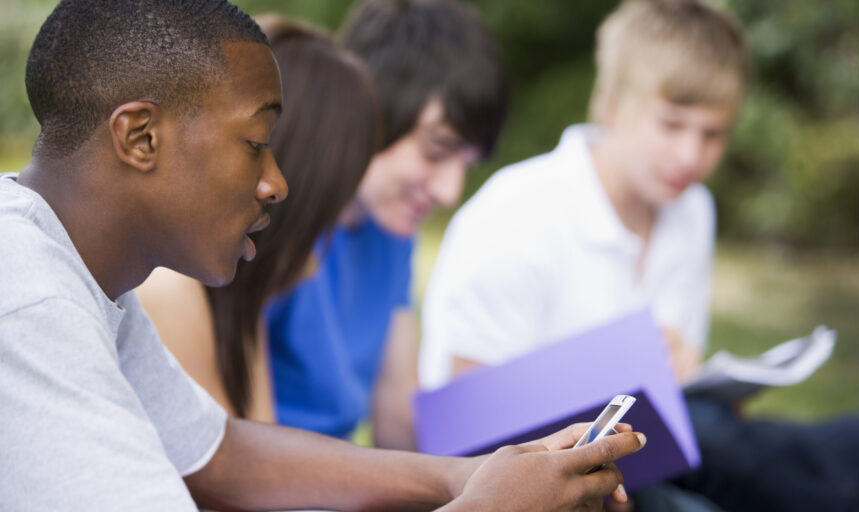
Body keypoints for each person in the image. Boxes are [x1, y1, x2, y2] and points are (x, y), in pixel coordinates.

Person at [0, 0, 646, 510]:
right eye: (256, 143)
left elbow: (220, 454)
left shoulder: (85, 277)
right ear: (140, 137)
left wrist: (470, 475)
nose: (276, 183)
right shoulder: (28, 305)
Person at [418, 0, 859, 511]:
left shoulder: (691, 211)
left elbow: (680, 385)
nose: (690, 156)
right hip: (546, 483)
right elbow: (461, 418)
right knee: (753, 457)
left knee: (755, 445)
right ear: (614, 106)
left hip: (658, 454)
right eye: (672, 125)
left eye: (713, 134)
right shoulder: (515, 212)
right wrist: (612, 367)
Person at [264, 0, 508, 450]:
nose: (449, 192)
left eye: (465, 165)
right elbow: (244, 452)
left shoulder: (392, 233)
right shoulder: (269, 217)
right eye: (436, 153)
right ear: (371, 106)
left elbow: (399, 419)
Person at [136, 16, 380, 422]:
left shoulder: (239, 301)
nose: (314, 262)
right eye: (319, 223)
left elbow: (262, 457)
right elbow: (225, 479)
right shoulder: (166, 287)